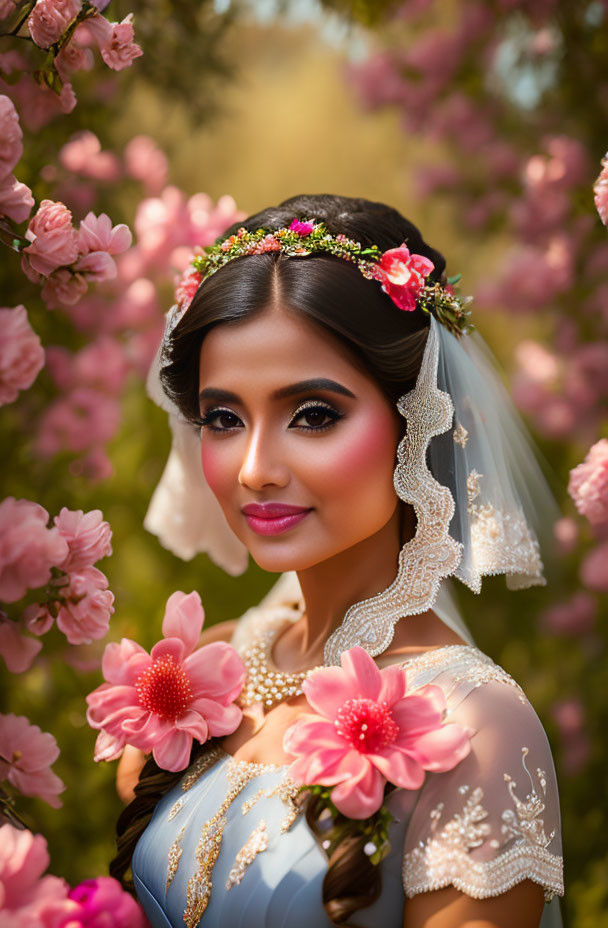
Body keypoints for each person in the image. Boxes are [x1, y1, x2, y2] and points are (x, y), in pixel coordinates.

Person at [110, 194, 565, 928]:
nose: (255, 468)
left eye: (313, 415)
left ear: (419, 420)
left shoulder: (478, 726)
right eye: (223, 418)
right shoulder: (205, 673)